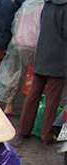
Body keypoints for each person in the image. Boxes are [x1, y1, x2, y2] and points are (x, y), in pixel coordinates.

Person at [18, 0, 67, 145]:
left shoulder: (48, 3)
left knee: (33, 94)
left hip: (42, 52)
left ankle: (23, 129)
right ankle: (47, 134)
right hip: (59, 56)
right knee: (52, 98)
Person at [0, 0, 43, 116]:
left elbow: (15, 23)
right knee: (30, 76)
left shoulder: (25, 5)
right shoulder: (43, 6)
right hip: (34, 45)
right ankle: (29, 105)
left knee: (13, 73)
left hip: (18, 42)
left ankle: (9, 104)